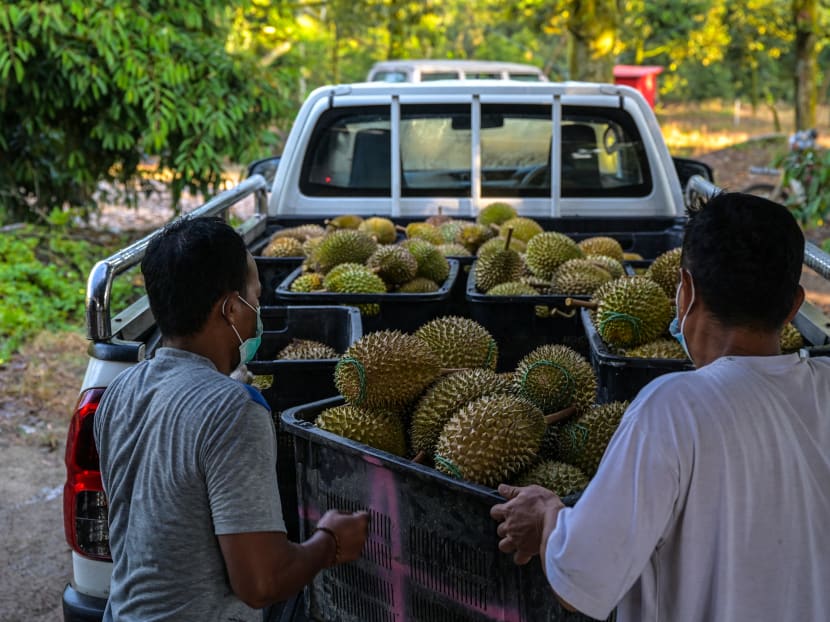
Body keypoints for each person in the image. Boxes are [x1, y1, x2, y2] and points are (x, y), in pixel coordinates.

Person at [491, 192, 830, 621]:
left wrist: (545, 515)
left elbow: (580, 579)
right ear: (795, 306)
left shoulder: (674, 408)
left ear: (686, 291)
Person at [94, 217, 369, 621]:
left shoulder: (119, 393)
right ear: (231, 309)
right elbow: (261, 584)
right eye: (256, 297)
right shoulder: (234, 409)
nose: (258, 311)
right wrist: (330, 541)